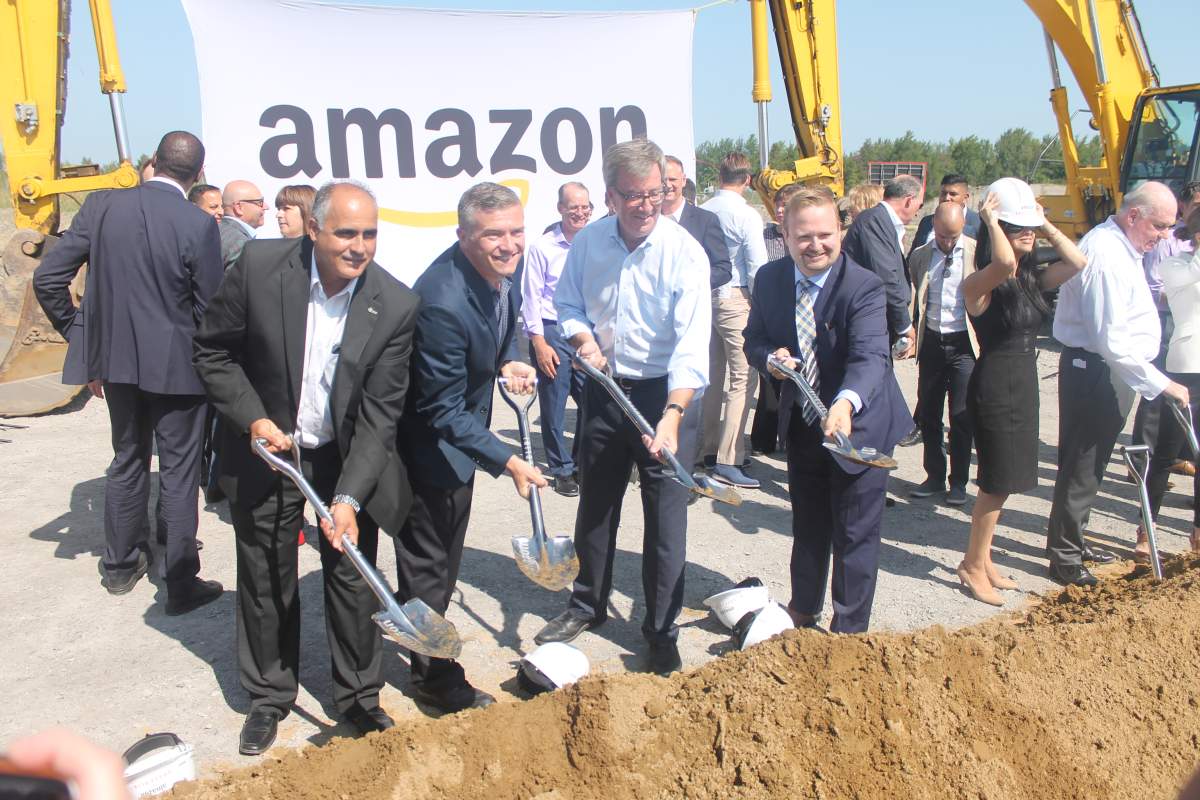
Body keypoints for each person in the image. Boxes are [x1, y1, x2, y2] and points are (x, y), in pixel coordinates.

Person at [193, 180, 420, 754]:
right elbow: (213, 350)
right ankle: (269, 696)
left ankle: (359, 698)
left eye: (369, 233)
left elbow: (378, 417)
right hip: (269, 451)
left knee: (353, 575)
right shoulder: (260, 269)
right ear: (314, 229)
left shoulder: (394, 305)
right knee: (267, 573)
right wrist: (251, 419)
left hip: (342, 457)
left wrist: (347, 499)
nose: (359, 246)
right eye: (346, 233)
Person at [534, 139, 710, 676]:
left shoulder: (684, 253)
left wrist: (673, 416)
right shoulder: (588, 244)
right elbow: (565, 302)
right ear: (611, 195)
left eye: (654, 194)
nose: (645, 206)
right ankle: (587, 604)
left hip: (666, 396)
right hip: (605, 391)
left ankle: (660, 628)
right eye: (633, 196)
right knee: (597, 504)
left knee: (665, 518)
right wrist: (582, 336)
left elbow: (691, 344)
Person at [32, 131, 223, 613]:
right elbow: (210, 310)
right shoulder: (198, 224)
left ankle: (119, 568)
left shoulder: (100, 208)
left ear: (152, 162)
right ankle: (179, 583)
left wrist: (81, 335)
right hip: (180, 368)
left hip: (116, 364)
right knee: (179, 472)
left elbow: (48, 277)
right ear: (198, 174)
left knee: (128, 458)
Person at [396, 182, 544, 712]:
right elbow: (441, 410)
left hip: (458, 445)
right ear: (463, 236)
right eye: (493, 235)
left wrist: (512, 357)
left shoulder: (501, 268)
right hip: (429, 451)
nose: (509, 244)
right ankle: (432, 677)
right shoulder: (442, 301)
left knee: (441, 563)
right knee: (428, 569)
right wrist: (507, 459)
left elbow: (508, 319)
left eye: (516, 231)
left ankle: (425, 654)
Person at [744, 184, 909, 633]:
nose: (815, 245)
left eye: (824, 235)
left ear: (840, 230)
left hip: (860, 427)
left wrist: (844, 403)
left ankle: (848, 632)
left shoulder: (864, 286)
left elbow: (872, 356)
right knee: (809, 527)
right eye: (803, 237)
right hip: (805, 426)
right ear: (786, 233)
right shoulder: (771, 280)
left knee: (855, 533)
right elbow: (752, 340)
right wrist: (770, 360)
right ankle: (802, 613)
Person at [1046, 180, 1188, 586]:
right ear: (1133, 216)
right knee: (1083, 464)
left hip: (1108, 370)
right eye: (1159, 227)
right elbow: (1110, 339)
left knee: (1094, 462)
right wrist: (1161, 384)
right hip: (1096, 369)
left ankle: (1073, 541)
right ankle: (1065, 561)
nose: (1163, 237)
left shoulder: (1120, 247)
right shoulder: (1105, 253)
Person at [956, 180, 1087, 604]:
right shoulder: (981, 283)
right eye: (1018, 227)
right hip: (995, 387)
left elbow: (1078, 260)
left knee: (1007, 480)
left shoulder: (1032, 279)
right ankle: (972, 564)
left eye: (1027, 227)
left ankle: (984, 557)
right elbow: (1005, 264)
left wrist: (1044, 222)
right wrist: (991, 220)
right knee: (995, 482)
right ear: (998, 232)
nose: (1026, 233)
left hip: (1023, 385)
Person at [699, 152, 770, 489]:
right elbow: (756, 265)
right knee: (743, 379)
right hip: (736, 296)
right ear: (747, 179)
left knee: (712, 376)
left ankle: (707, 447)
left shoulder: (704, 210)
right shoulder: (746, 215)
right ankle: (730, 457)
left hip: (706, 295)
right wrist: (762, 306)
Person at [522, 182, 592, 497]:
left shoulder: (596, 242)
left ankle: (579, 461)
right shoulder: (542, 247)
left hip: (586, 332)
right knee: (554, 404)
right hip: (552, 330)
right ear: (561, 208)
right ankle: (561, 470)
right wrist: (538, 342)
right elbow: (531, 298)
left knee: (592, 400)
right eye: (573, 207)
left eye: (585, 207)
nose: (580, 212)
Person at [1138, 208, 1200, 560]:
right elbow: (1187, 278)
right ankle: (1146, 529)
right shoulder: (1175, 265)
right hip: (1185, 368)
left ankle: (1197, 532)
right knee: (1165, 453)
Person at [907, 202, 977, 506]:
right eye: (942, 237)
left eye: (953, 237)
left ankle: (958, 482)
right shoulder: (922, 256)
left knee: (961, 416)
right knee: (930, 414)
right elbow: (915, 295)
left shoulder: (976, 252)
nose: (947, 243)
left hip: (964, 345)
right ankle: (934, 476)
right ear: (933, 227)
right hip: (933, 342)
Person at [751, 183, 806, 456]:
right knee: (770, 382)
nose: (781, 208)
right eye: (779, 203)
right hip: (774, 311)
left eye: (787, 203)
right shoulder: (766, 235)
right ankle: (763, 439)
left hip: (801, 313)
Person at [841, 174, 922, 357]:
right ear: (909, 201)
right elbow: (886, 278)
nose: (918, 211)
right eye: (920, 204)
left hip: (876, 321)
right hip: (866, 323)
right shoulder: (874, 221)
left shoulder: (882, 221)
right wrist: (904, 326)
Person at [661, 155, 733, 289]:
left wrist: (690, 282)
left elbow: (723, 269)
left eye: (672, 179)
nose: (667, 185)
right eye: (663, 180)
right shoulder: (647, 221)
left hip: (692, 304)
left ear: (683, 180)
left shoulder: (705, 221)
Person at [909, 173, 982, 252]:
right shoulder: (926, 222)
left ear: (965, 197)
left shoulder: (978, 224)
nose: (947, 198)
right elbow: (913, 257)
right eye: (943, 193)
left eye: (953, 194)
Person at [219, 179, 268, 269]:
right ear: (239, 207)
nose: (266, 207)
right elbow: (241, 282)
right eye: (259, 202)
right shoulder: (242, 244)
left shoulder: (215, 231)